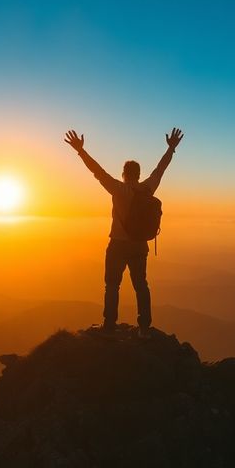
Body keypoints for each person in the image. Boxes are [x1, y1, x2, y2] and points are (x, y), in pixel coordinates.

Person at [64, 127, 184, 337]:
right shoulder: (147, 189)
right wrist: (171, 148)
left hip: (118, 244)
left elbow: (97, 171)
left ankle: (109, 326)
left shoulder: (117, 189)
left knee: (112, 285)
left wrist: (80, 151)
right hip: (139, 245)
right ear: (138, 175)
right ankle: (144, 328)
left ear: (124, 174)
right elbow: (160, 169)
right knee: (141, 285)